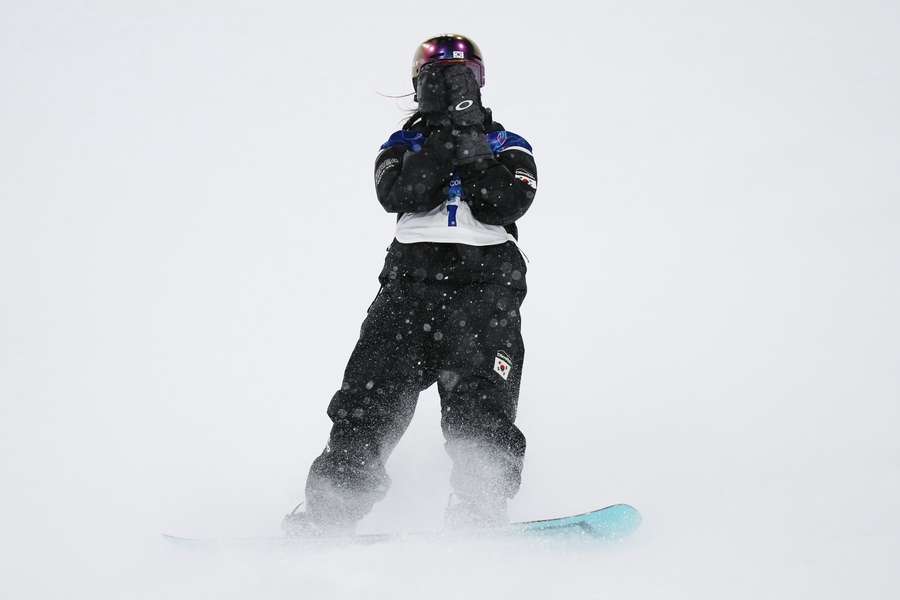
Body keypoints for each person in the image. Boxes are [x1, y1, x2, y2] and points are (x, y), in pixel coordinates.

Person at [283, 33, 538, 535]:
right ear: (418, 86)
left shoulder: (510, 144)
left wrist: (470, 132)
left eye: (464, 78)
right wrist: (443, 131)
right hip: (410, 285)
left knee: (481, 400)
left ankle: (479, 506)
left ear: (480, 83)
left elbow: (504, 203)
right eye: (438, 81)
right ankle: (331, 510)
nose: (450, 88)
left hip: (485, 287)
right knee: (368, 399)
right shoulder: (402, 145)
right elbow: (403, 193)